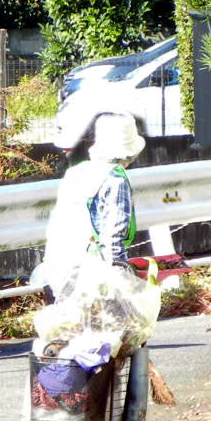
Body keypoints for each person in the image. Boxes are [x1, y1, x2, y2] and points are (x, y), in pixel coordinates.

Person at [36, 111, 146, 302]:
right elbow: (112, 238)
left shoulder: (75, 172)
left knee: (73, 329)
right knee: (111, 328)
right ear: (130, 151)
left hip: (58, 267)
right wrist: (121, 281)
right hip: (90, 275)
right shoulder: (115, 179)